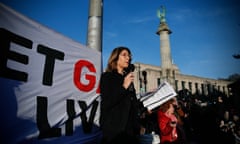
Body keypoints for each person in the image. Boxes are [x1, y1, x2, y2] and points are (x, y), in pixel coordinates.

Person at [99, 46, 141, 144]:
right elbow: (107, 103)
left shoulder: (127, 78)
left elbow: (133, 104)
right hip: (115, 132)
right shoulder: (107, 77)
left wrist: (149, 100)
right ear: (115, 58)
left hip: (131, 131)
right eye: (124, 55)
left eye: (129, 56)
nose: (128, 58)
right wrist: (124, 87)